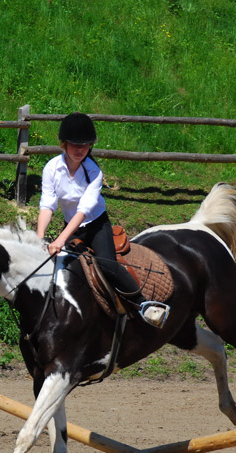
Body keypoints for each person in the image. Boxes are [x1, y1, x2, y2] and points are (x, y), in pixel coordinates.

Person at [36, 112, 169, 328]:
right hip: (72, 227)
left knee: (107, 266)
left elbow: (83, 211)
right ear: (64, 144)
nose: (81, 150)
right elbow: (47, 205)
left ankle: (144, 306)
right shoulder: (51, 168)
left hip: (95, 224)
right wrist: (40, 237)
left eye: (86, 145)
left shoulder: (94, 172)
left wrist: (60, 240)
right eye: (75, 145)